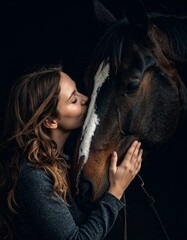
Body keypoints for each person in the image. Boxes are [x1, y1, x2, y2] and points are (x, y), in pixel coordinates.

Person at [0, 65, 143, 240]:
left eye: (78, 91)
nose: (86, 99)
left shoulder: (65, 161)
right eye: (73, 100)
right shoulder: (34, 176)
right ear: (50, 121)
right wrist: (115, 191)